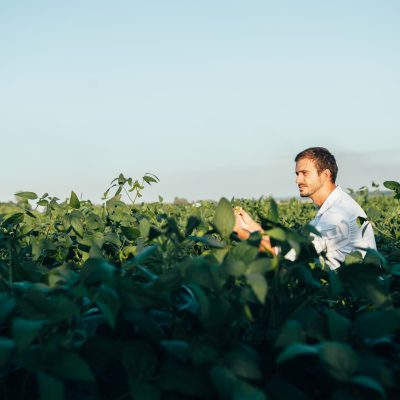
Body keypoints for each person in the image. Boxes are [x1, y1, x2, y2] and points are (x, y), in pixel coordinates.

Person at [233, 147, 377, 270]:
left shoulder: (337, 215)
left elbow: (288, 255)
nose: (298, 180)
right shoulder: (333, 207)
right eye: (297, 174)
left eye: (305, 173)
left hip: (355, 299)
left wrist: (239, 231)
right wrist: (250, 225)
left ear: (326, 175)